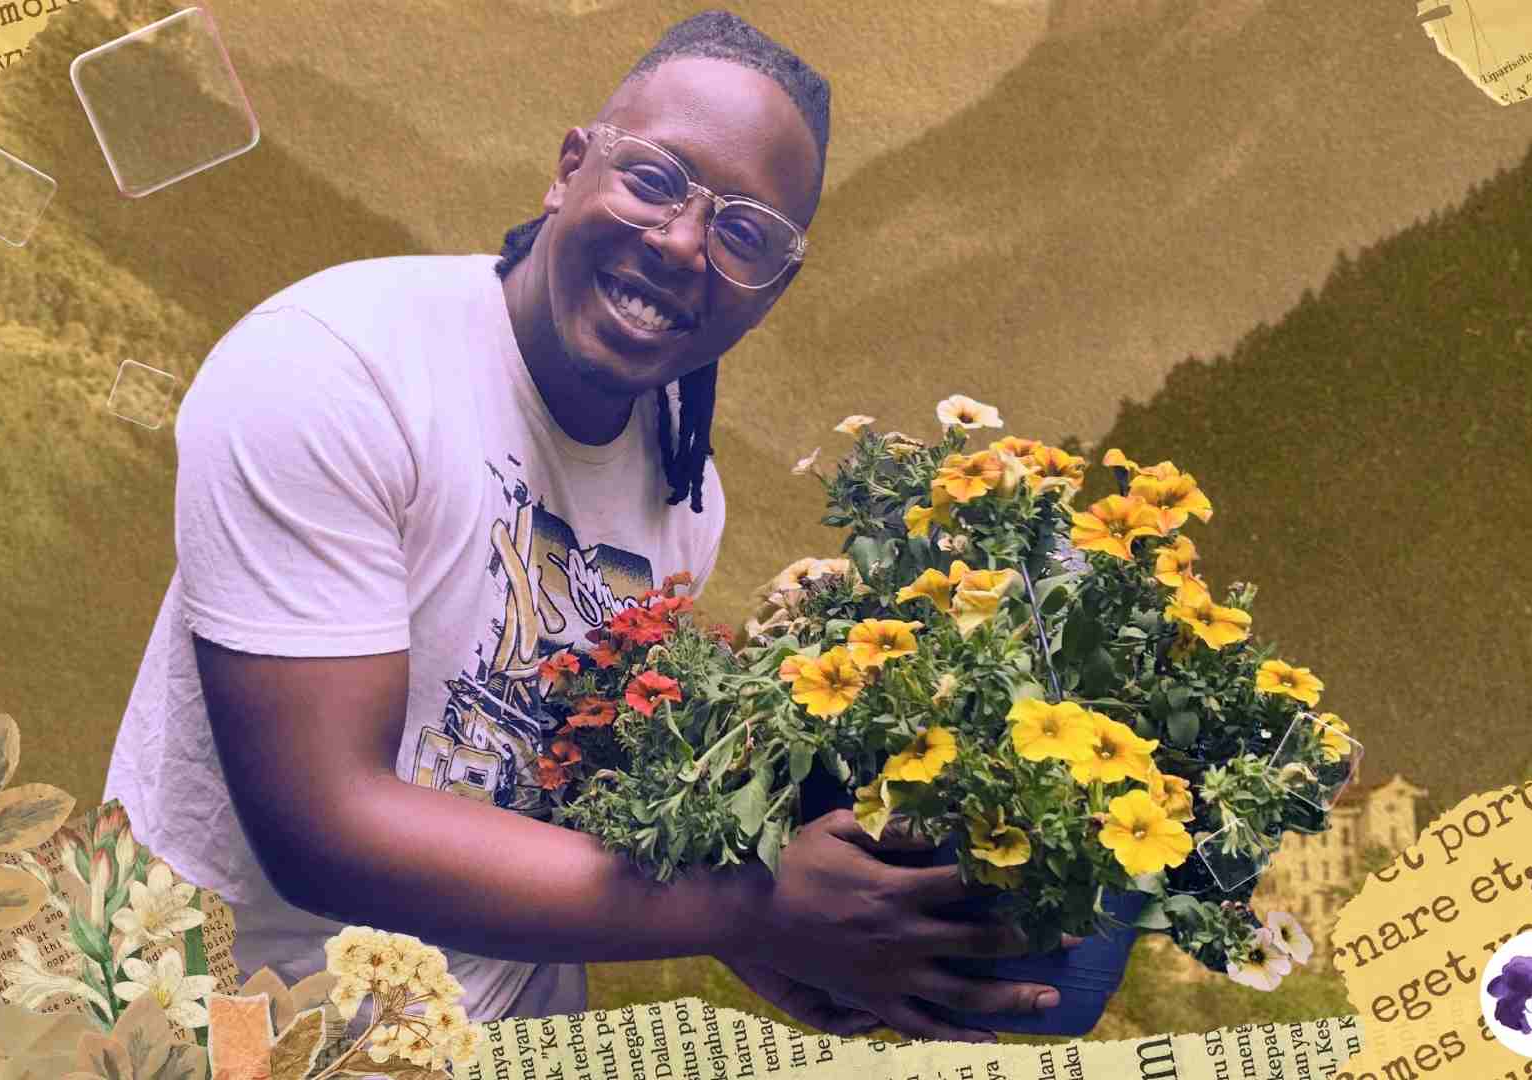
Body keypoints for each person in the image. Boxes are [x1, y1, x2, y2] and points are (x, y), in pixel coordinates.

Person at [103, 8, 1068, 1045]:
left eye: (744, 233)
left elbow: (568, 772)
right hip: (224, 1030)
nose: (684, 244)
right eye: (654, 179)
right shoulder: (333, 368)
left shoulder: (683, 490)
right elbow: (323, 824)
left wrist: (775, 944)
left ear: (775, 287)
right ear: (569, 169)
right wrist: (755, 907)